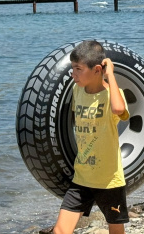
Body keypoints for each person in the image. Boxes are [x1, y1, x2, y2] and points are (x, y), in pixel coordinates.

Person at [51, 40, 129, 234]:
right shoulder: (77, 90)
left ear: (96, 70)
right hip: (82, 177)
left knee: (116, 229)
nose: (73, 74)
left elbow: (119, 109)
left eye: (78, 69)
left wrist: (110, 74)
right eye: (72, 68)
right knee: (60, 230)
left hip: (110, 180)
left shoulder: (114, 95)